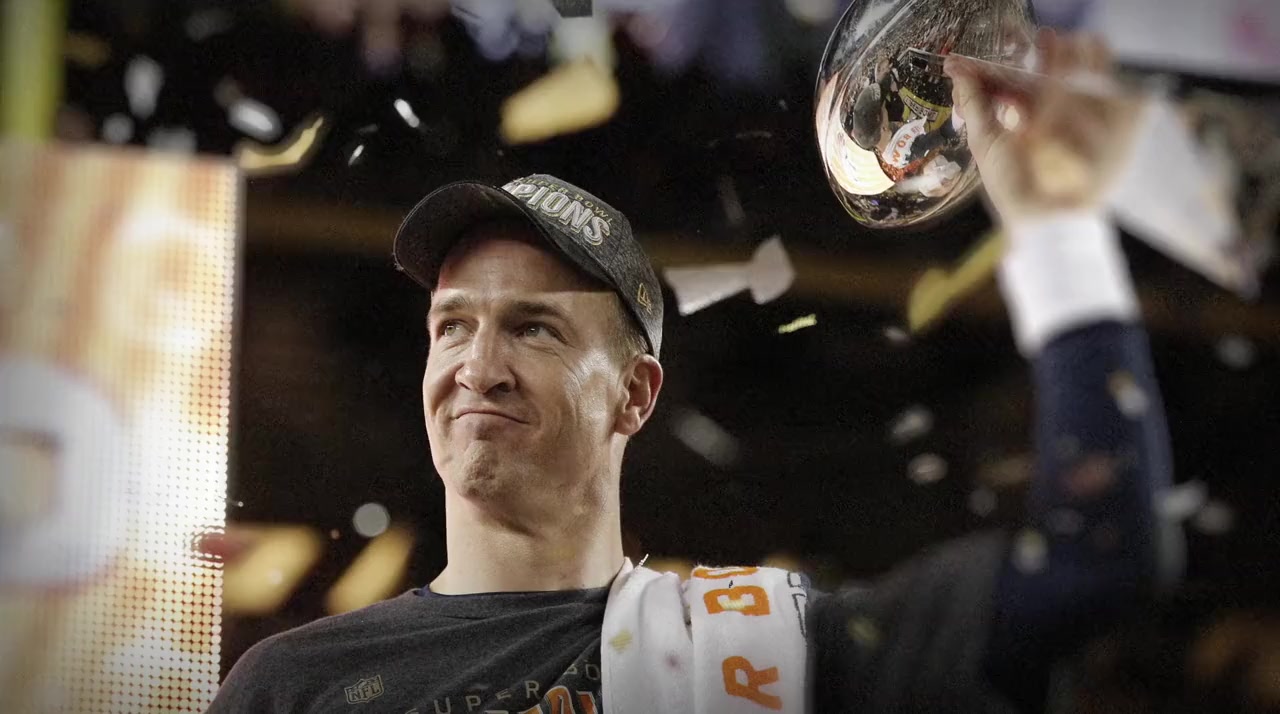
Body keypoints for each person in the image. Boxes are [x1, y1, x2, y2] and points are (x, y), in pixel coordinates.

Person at [209, 30, 1177, 713]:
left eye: (535, 330)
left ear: (634, 395)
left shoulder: (772, 654)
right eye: (451, 327)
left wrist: (1059, 228)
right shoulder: (296, 688)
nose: (478, 366)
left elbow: (1096, 558)